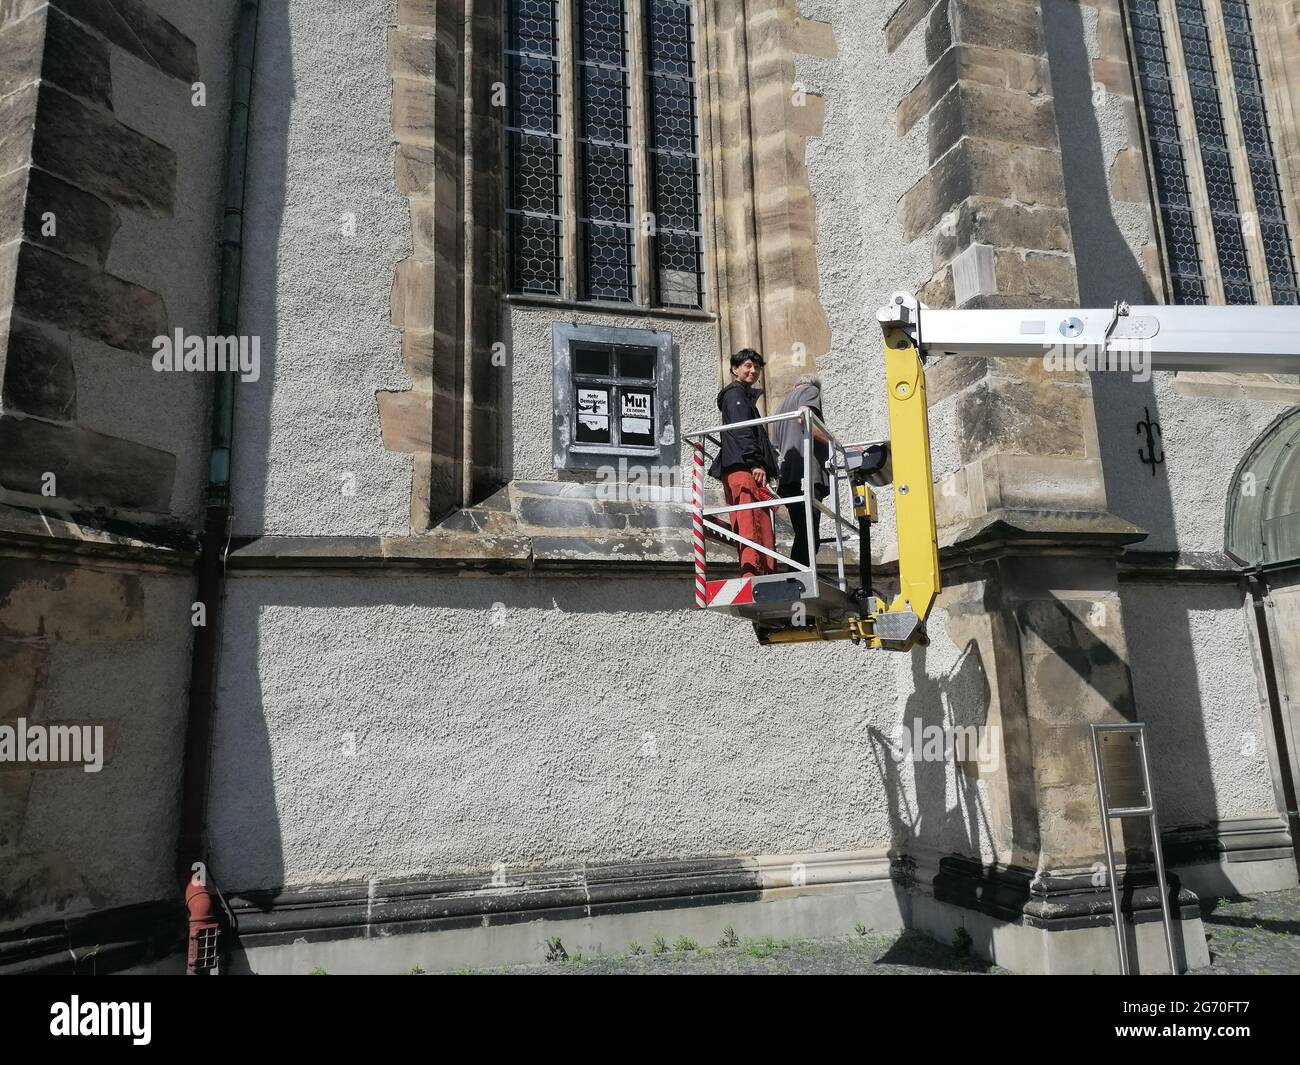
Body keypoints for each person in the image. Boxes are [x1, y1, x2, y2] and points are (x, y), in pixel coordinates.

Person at [708, 349, 780, 576]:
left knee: (761, 523)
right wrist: (755, 463)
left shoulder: (743, 396)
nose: (753, 371)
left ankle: (765, 572)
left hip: (744, 467)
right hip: (743, 468)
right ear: (735, 369)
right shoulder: (735, 395)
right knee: (750, 523)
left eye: (757, 367)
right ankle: (753, 574)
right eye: (748, 366)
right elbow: (742, 432)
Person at [771, 374, 830, 569]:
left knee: (803, 531)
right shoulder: (810, 390)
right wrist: (836, 445)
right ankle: (796, 576)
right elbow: (806, 419)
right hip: (807, 474)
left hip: (787, 477)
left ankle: (796, 573)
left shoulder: (780, 407)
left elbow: (775, 445)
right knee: (809, 535)